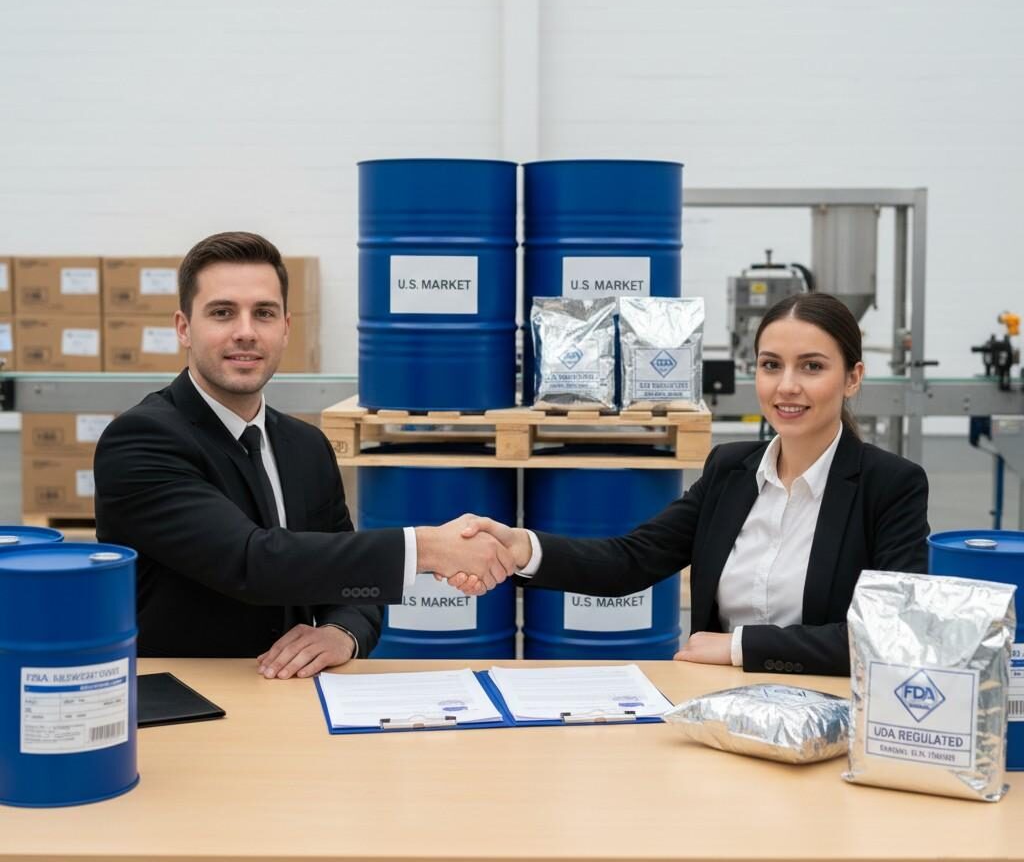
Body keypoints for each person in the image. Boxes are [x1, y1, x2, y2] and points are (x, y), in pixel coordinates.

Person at [94, 232, 513, 678]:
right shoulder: (142, 439)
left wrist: (341, 632)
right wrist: (425, 548)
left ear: (286, 328)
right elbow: (251, 561)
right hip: (182, 697)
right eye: (222, 313)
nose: (245, 332)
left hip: (290, 698)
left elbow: (350, 581)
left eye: (264, 313)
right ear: (183, 327)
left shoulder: (305, 445)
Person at [449, 292, 930, 676]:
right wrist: (521, 549)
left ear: (852, 378)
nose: (786, 386)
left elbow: (888, 636)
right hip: (722, 708)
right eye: (770, 365)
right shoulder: (731, 471)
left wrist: (740, 646)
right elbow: (629, 561)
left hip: (831, 713)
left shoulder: (890, 487)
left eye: (812, 366)